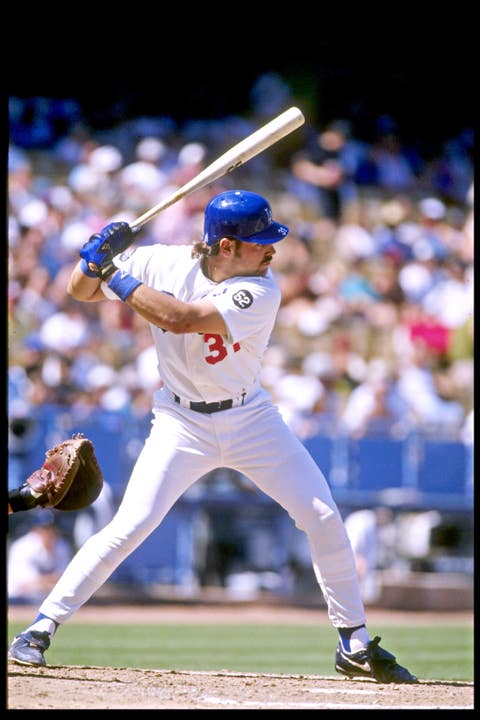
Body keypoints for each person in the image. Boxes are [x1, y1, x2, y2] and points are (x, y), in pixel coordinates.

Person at [8, 189, 416, 683]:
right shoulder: (161, 262)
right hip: (181, 422)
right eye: (260, 242)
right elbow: (79, 290)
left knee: (322, 515)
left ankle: (352, 641)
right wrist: (94, 256)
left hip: (250, 418)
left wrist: (111, 269)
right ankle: (39, 629)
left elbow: (177, 319)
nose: (272, 251)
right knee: (130, 525)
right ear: (226, 247)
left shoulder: (262, 290)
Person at [8, 517, 72, 604]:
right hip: (17, 600)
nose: (48, 533)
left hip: (48, 600)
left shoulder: (62, 545)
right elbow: (26, 585)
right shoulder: (22, 547)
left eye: (51, 528)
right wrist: (53, 580)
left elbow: (67, 580)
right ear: (34, 530)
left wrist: (45, 582)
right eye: (44, 529)